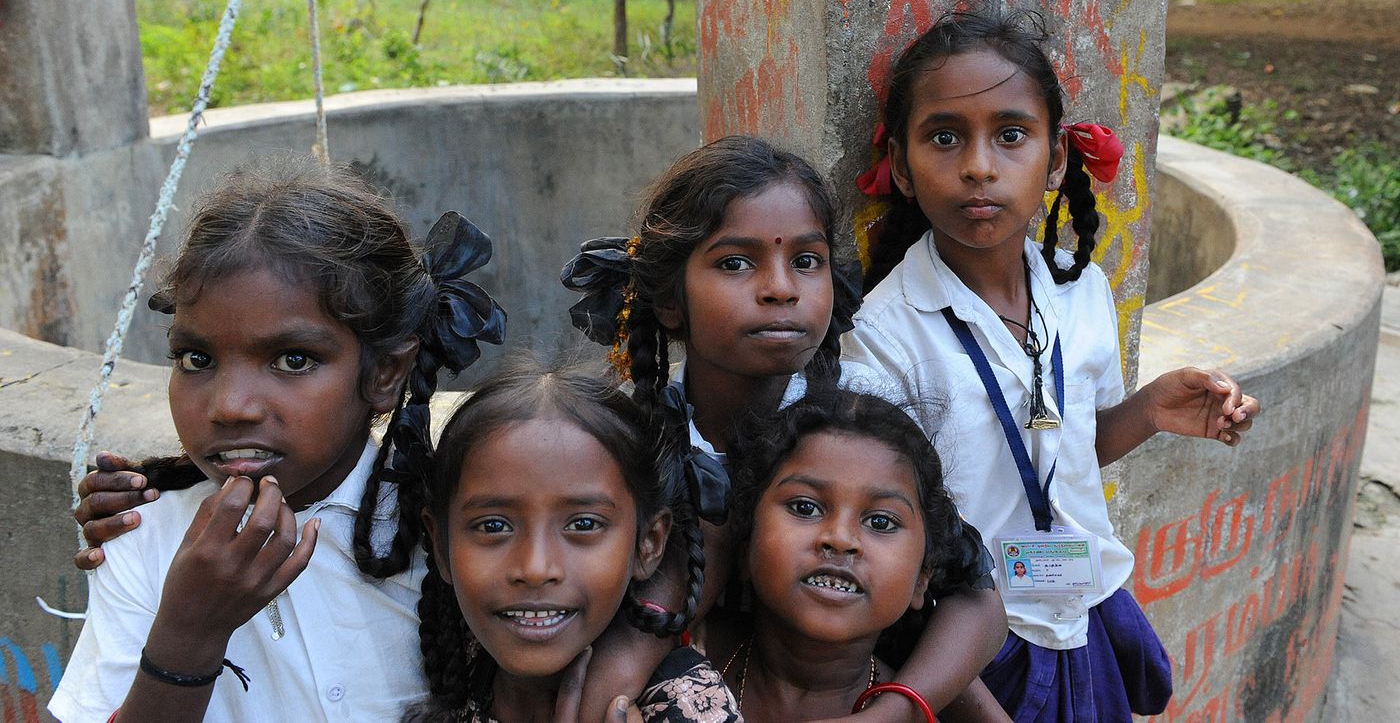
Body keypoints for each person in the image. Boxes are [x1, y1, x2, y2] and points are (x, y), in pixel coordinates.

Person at [847, 9, 1262, 722]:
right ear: (904, 170)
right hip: (970, 651)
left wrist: (1150, 410)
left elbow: (1067, 452)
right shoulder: (885, 337)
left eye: (1011, 135)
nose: (979, 166)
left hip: (1085, 613)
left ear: (1058, 159)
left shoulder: (1081, 291)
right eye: (944, 137)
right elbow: (880, 532)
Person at [561, 136, 1009, 722]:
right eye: (735, 263)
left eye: (806, 261)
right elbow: (635, 635)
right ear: (670, 300)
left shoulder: (857, 421)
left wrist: (892, 711)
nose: (781, 287)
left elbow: (973, 596)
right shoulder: (630, 442)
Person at [51, 155, 506, 723]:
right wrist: (189, 632)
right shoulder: (143, 538)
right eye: (196, 359)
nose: (230, 406)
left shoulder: (444, 528)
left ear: (386, 373)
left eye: (293, 359)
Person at [404, 361, 740, 723]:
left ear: (649, 543)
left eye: (583, 524)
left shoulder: (690, 707)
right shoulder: (453, 662)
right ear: (441, 546)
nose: (535, 568)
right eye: (493, 526)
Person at [710, 388, 987, 723]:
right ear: (744, 543)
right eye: (805, 507)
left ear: (923, 577)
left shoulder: (910, 712)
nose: (841, 540)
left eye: (881, 522)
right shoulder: (677, 663)